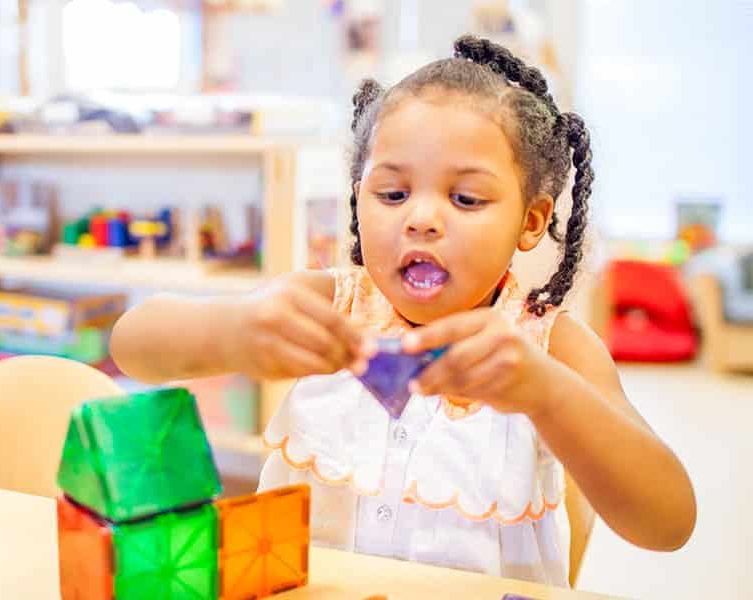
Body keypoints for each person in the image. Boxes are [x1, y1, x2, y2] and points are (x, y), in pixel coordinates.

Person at [111, 35, 696, 586]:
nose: (420, 218)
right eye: (391, 194)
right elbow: (131, 346)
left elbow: (668, 522)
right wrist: (229, 332)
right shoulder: (329, 304)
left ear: (531, 221)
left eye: (465, 198)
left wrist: (546, 393)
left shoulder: (551, 347)